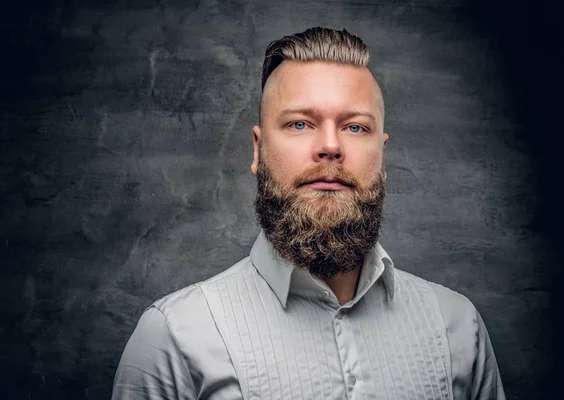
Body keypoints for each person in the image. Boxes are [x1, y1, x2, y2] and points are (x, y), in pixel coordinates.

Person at [112, 27, 505, 399]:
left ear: (382, 153)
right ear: (257, 150)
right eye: (300, 123)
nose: (330, 146)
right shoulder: (174, 338)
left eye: (355, 127)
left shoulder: (457, 328)